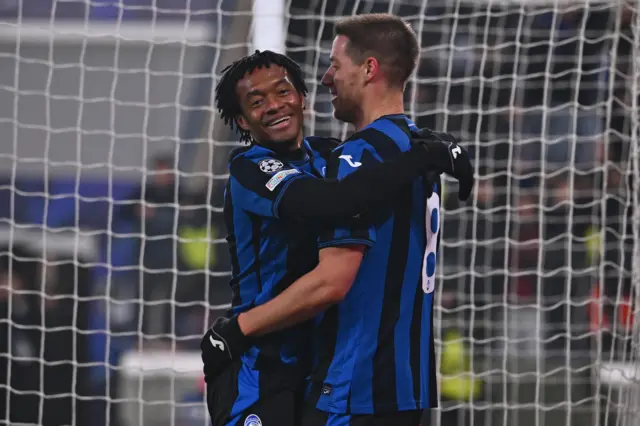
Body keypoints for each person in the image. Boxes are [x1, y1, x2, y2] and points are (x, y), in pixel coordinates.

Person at [207, 14, 474, 426]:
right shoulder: (251, 166)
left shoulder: (338, 156)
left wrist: (435, 146)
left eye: (283, 92)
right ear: (242, 122)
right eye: (256, 102)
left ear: (302, 98)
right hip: (260, 365)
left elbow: (336, 270)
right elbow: (331, 200)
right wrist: (432, 151)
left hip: (330, 370)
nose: (275, 105)